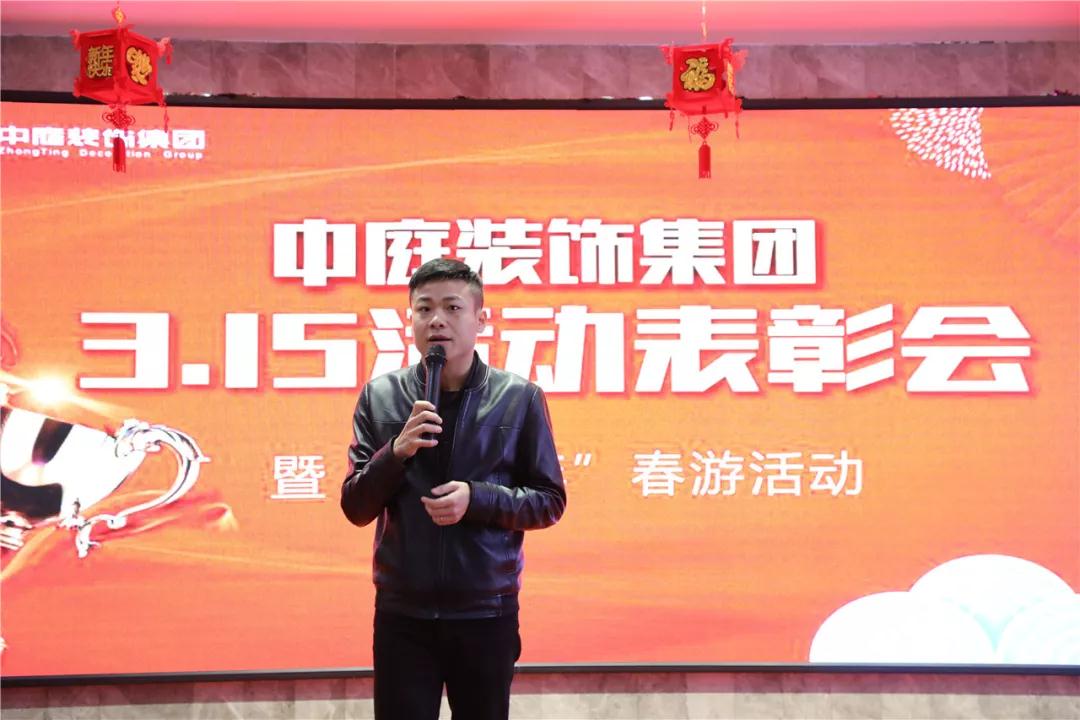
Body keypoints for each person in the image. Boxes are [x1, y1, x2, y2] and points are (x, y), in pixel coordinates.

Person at [341, 258, 566, 720]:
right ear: (411, 320)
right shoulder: (379, 397)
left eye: (452, 307)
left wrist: (476, 498)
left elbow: (548, 501)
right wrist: (395, 453)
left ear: (481, 319)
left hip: (485, 612)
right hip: (403, 614)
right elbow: (356, 506)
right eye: (424, 309)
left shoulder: (519, 398)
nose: (437, 320)